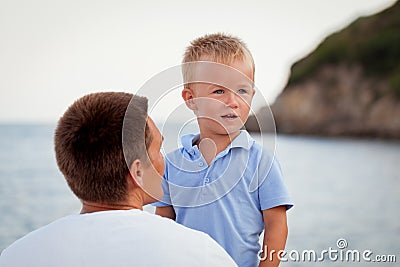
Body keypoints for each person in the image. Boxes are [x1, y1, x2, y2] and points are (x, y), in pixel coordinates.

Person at [0, 92, 237, 266]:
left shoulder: (17, 256)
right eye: (157, 151)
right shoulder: (200, 253)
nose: (166, 162)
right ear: (138, 172)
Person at [154, 33, 293, 267]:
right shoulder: (172, 164)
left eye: (242, 90)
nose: (233, 101)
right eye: (219, 92)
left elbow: (276, 227)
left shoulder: (261, 161)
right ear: (191, 99)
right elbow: (164, 225)